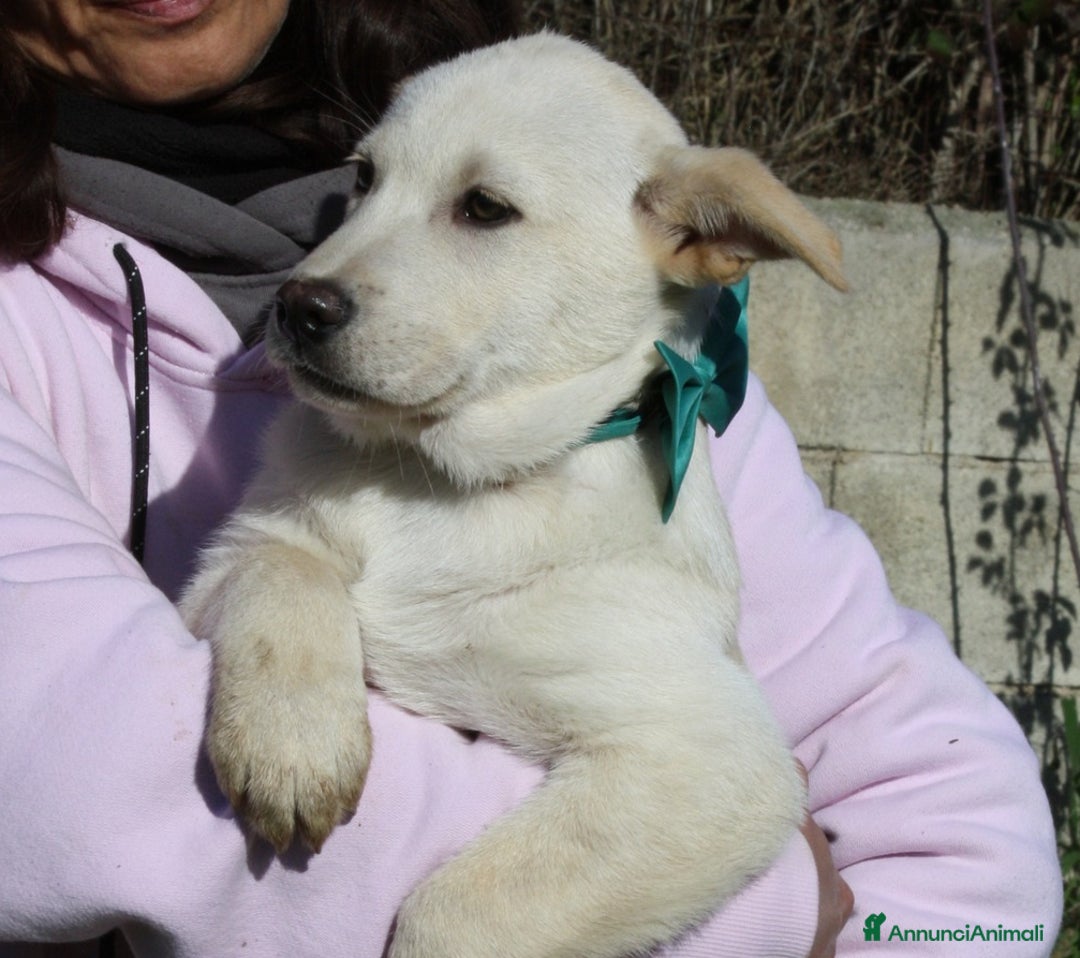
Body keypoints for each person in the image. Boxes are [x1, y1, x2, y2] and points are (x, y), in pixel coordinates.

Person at [0, 1, 1062, 956]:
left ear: (695, 233)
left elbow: (930, 826)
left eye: (483, 211)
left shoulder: (663, 411)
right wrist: (779, 919)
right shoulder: (319, 430)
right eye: (367, 184)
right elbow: (72, 784)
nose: (324, 278)